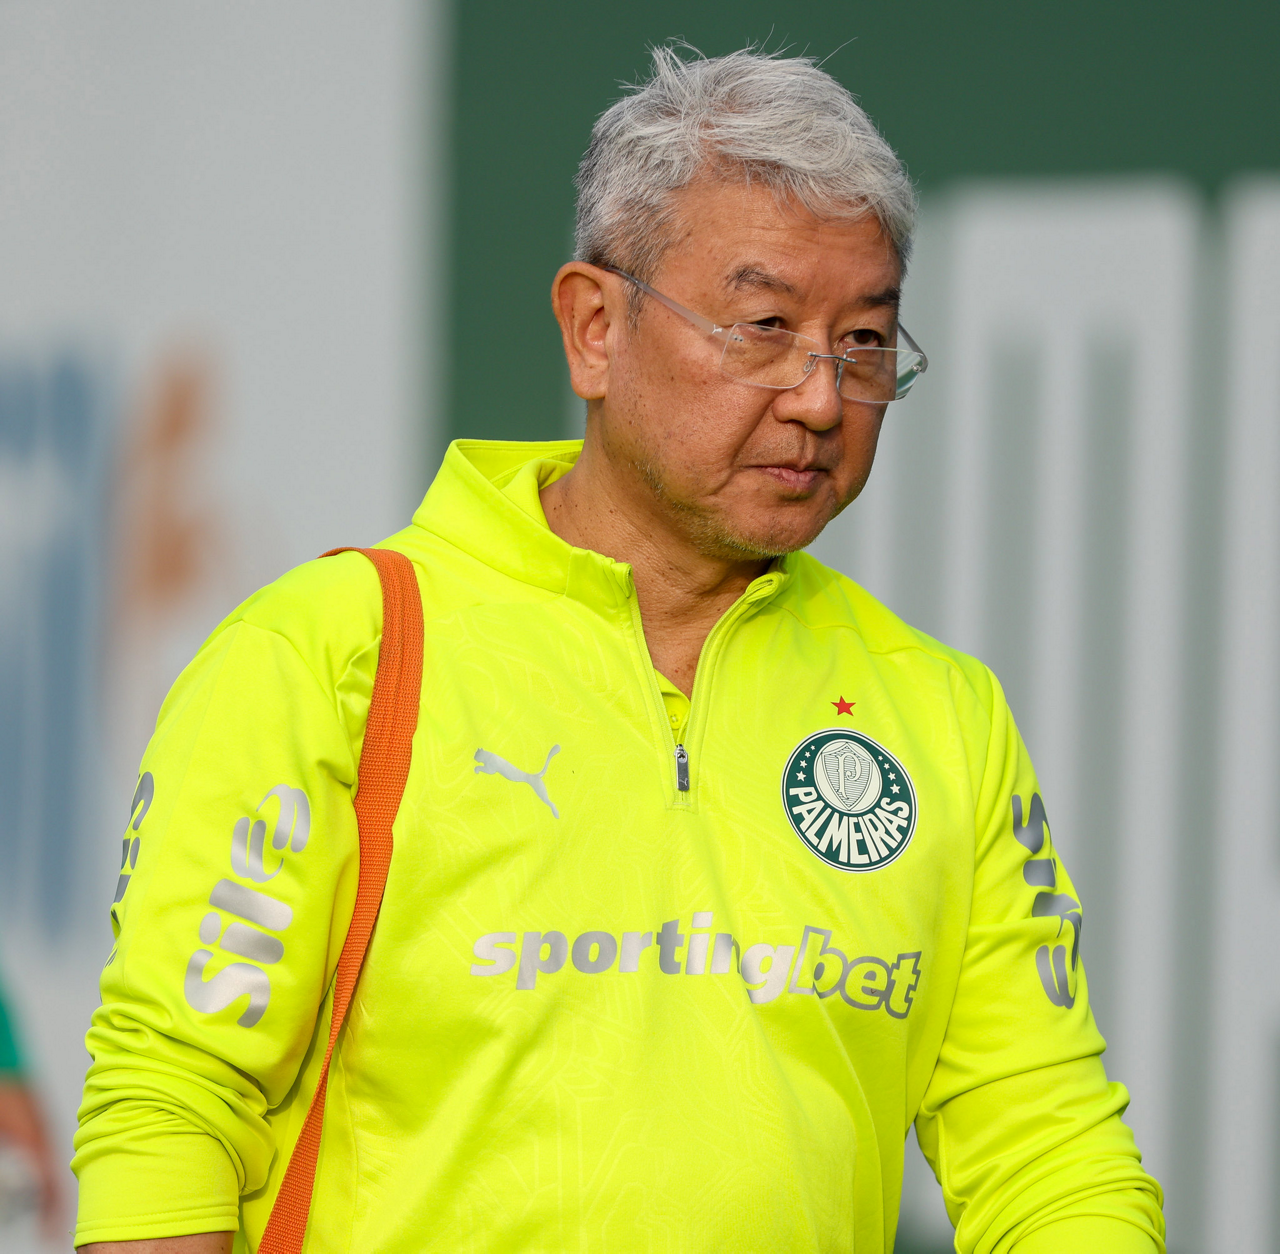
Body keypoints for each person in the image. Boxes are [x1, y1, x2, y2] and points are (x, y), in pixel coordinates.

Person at [73, 47, 1165, 1254]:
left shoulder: (937, 712)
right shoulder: (332, 654)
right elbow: (171, 1108)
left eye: (862, 341)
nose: (819, 398)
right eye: (763, 327)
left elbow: (1046, 1155)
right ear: (594, 328)